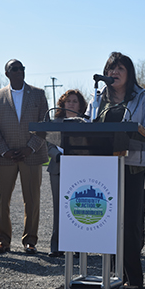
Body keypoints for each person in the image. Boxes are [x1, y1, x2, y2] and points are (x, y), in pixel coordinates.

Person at [86, 52, 145, 289]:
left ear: (129, 74)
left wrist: (133, 130)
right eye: (110, 69)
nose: (114, 73)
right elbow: (87, 127)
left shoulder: (141, 98)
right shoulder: (98, 98)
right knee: (108, 223)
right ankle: (115, 276)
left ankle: (134, 279)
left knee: (130, 223)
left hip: (132, 168)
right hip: (104, 169)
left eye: (120, 69)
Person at [0, 59, 49, 254]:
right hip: (5, 156)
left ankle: (30, 240)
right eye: (14, 69)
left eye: (21, 68)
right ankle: (3, 240)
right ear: (7, 74)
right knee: (1, 201)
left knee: (32, 199)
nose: (19, 72)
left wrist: (30, 148)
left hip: (31, 156)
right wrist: (4, 150)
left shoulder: (38, 94)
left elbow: (44, 125)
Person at [47, 89, 87, 257]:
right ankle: (57, 246)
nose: (71, 103)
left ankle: (77, 246)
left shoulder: (86, 124)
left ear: (81, 106)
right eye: (68, 101)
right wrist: (58, 156)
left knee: (76, 208)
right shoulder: (54, 123)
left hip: (78, 170)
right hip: (58, 168)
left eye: (75, 101)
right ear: (62, 104)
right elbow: (48, 145)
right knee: (59, 208)